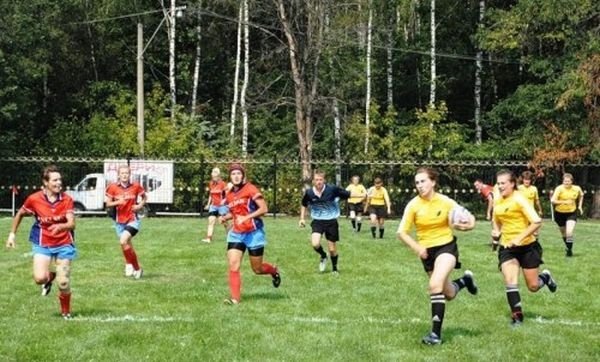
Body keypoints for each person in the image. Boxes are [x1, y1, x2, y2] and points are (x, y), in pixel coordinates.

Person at [397, 167, 478, 345]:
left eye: (423, 181)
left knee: (434, 285)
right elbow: (401, 232)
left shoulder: (445, 201)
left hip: (446, 247)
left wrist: (467, 225)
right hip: (427, 253)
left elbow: (469, 218)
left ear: (433, 182)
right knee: (448, 293)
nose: (419, 185)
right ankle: (465, 281)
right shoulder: (413, 205)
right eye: (417, 182)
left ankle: (435, 336)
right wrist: (417, 248)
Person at [5, 165, 76, 319]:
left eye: (60, 180)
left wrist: (61, 226)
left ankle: (66, 313)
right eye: (55, 180)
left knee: (63, 282)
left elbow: (72, 224)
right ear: (45, 182)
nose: (59, 183)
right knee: (39, 279)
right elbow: (20, 214)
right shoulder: (34, 199)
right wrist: (12, 235)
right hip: (42, 243)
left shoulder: (67, 199)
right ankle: (49, 278)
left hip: (64, 243)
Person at [492, 169, 557, 326]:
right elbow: (496, 219)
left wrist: (518, 238)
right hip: (508, 248)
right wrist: (495, 231)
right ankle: (517, 317)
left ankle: (545, 278)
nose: (500, 186)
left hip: (528, 247)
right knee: (510, 280)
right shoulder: (498, 200)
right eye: (498, 183)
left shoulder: (519, 199)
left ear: (512, 183)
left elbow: (536, 221)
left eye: (503, 183)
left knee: (533, 286)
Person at [219, 163, 280, 305]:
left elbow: (264, 209)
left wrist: (246, 218)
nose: (236, 176)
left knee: (257, 269)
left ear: (243, 176)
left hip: (254, 233)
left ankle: (273, 271)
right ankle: (235, 299)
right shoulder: (229, 194)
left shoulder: (250, 189)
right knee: (233, 265)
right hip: (237, 233)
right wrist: (225, 217)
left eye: (238, 174)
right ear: (230, 177)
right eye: (233, 174)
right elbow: (234, 213)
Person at [300, 170, 352, 274]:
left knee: (332, 249)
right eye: (316, 180)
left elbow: (347, 194)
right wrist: (302, 218)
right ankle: (323, 256)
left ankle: (334, 269)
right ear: (313, 181)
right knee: (315, 244)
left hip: (331, 221)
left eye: (320, 180)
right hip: (318, 221)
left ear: (324, 180)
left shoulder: (332, 189)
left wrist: (362, 196)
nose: (318, 182)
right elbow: (304, 204)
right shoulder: (310, 192)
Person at [105, 165, 146, 279]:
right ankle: (130, 264)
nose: (124, 175)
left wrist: (139, 205)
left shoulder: (136, 186)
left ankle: (135, 267)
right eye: (122, 173)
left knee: (123, 241)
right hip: (119, 221)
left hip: (133, 220)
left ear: (129, 174)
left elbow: (144, 197)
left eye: (126, 173)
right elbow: (108, 203)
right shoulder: (112, 187)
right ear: (118, 175)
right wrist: (118, 202)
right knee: (128, 245)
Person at [550, 173, 584, 257]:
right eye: (565, 181)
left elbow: (581, 195)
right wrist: (564, 202)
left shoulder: (577, 188)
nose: (566, 183)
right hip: (559, 213)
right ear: (563, 181)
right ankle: (568, 247)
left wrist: (580, 206)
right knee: (564, 233)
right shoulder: (559, 188)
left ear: (572, 181)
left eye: (568, 181)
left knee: (569, 232)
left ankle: (569, 250)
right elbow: (553, 201)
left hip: (571, 213)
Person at [202, 167, 230, 243]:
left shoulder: (223, 184)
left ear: (218, 175)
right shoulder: (211, 183)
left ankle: (230, 237)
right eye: (212, 175)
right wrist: (208, 204)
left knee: (224, 222)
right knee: (211, 221)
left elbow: (228, 194)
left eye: (215, 175)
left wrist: (224, 201)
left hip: (222, 206)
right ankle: (208, 238)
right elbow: (211, 195)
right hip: (213, 206)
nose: (213, 177)